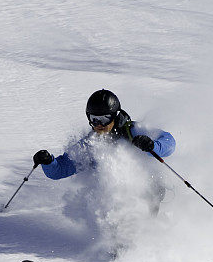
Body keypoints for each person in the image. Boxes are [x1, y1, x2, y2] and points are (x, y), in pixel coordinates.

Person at [33, 89, 176, 213]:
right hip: (115, 200)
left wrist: (153, 145)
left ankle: (148, 235)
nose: (99, 124)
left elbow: (170, 142)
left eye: (104, 118)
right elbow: (60, 170)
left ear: (114, 115)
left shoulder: (133, 131)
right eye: (94, 119)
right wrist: (48, 162)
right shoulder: (89, 145)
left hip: (149, 191)